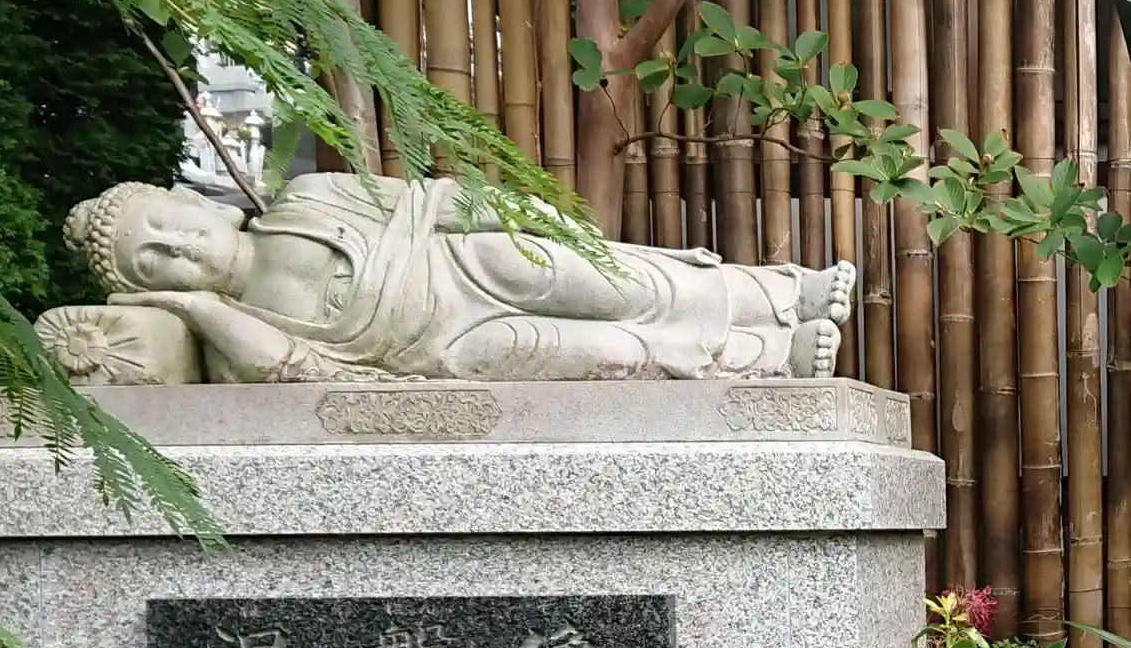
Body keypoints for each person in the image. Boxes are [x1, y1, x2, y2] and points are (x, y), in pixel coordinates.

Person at [63, 173, 855, 383]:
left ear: (195, 201)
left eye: (166, 223)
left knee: (620, 285)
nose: (176, 248)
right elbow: (290, 369)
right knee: (608, 353)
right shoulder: (237, 335)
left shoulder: (306, 198)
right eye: (152, 261)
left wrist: (512, 210)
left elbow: (427, 198)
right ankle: (765, 357)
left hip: (458, 260)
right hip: (440, 348)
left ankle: (777, 294)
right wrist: (194, 306)